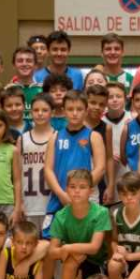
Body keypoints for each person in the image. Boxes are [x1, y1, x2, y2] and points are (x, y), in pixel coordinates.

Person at [48, 170, 112, 279]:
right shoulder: (61, 215)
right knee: (70, 262)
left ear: (91, 191)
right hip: (76, 261)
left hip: (97, 262)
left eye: (82, 187)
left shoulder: (101, 212)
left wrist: (69, 248)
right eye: (72, 186)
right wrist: (67, 251)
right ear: (66, 189)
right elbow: (52, 252)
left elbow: (94, 248)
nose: (77, 191)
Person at [43, 91, 107, 231]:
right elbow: (48, 169)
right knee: (53, 244)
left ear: (86, 111)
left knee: (85, 243)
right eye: (70, 109)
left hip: (87, 199)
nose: (75, 113)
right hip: (60, 199)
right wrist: (61, 194)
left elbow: (100, 168)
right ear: (64, 111)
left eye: (79, 109)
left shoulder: (94, 136)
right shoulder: (55, 137)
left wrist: (81, 193)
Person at [17, 94, 55, 233]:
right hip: (29, 203)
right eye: (36, 110)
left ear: (53, 112)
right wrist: (19, 203)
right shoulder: (22, 139)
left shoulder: (58, 137)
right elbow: (17, 175)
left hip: (51, 203)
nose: (40, 114)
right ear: (30, 112)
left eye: (45, 110)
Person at [11, 46, 41, 122]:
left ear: (36, 65)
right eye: (20, 61)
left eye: (29, 61)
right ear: (14, 65)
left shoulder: (43, 91)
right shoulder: (7, 91)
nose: (24, 64)